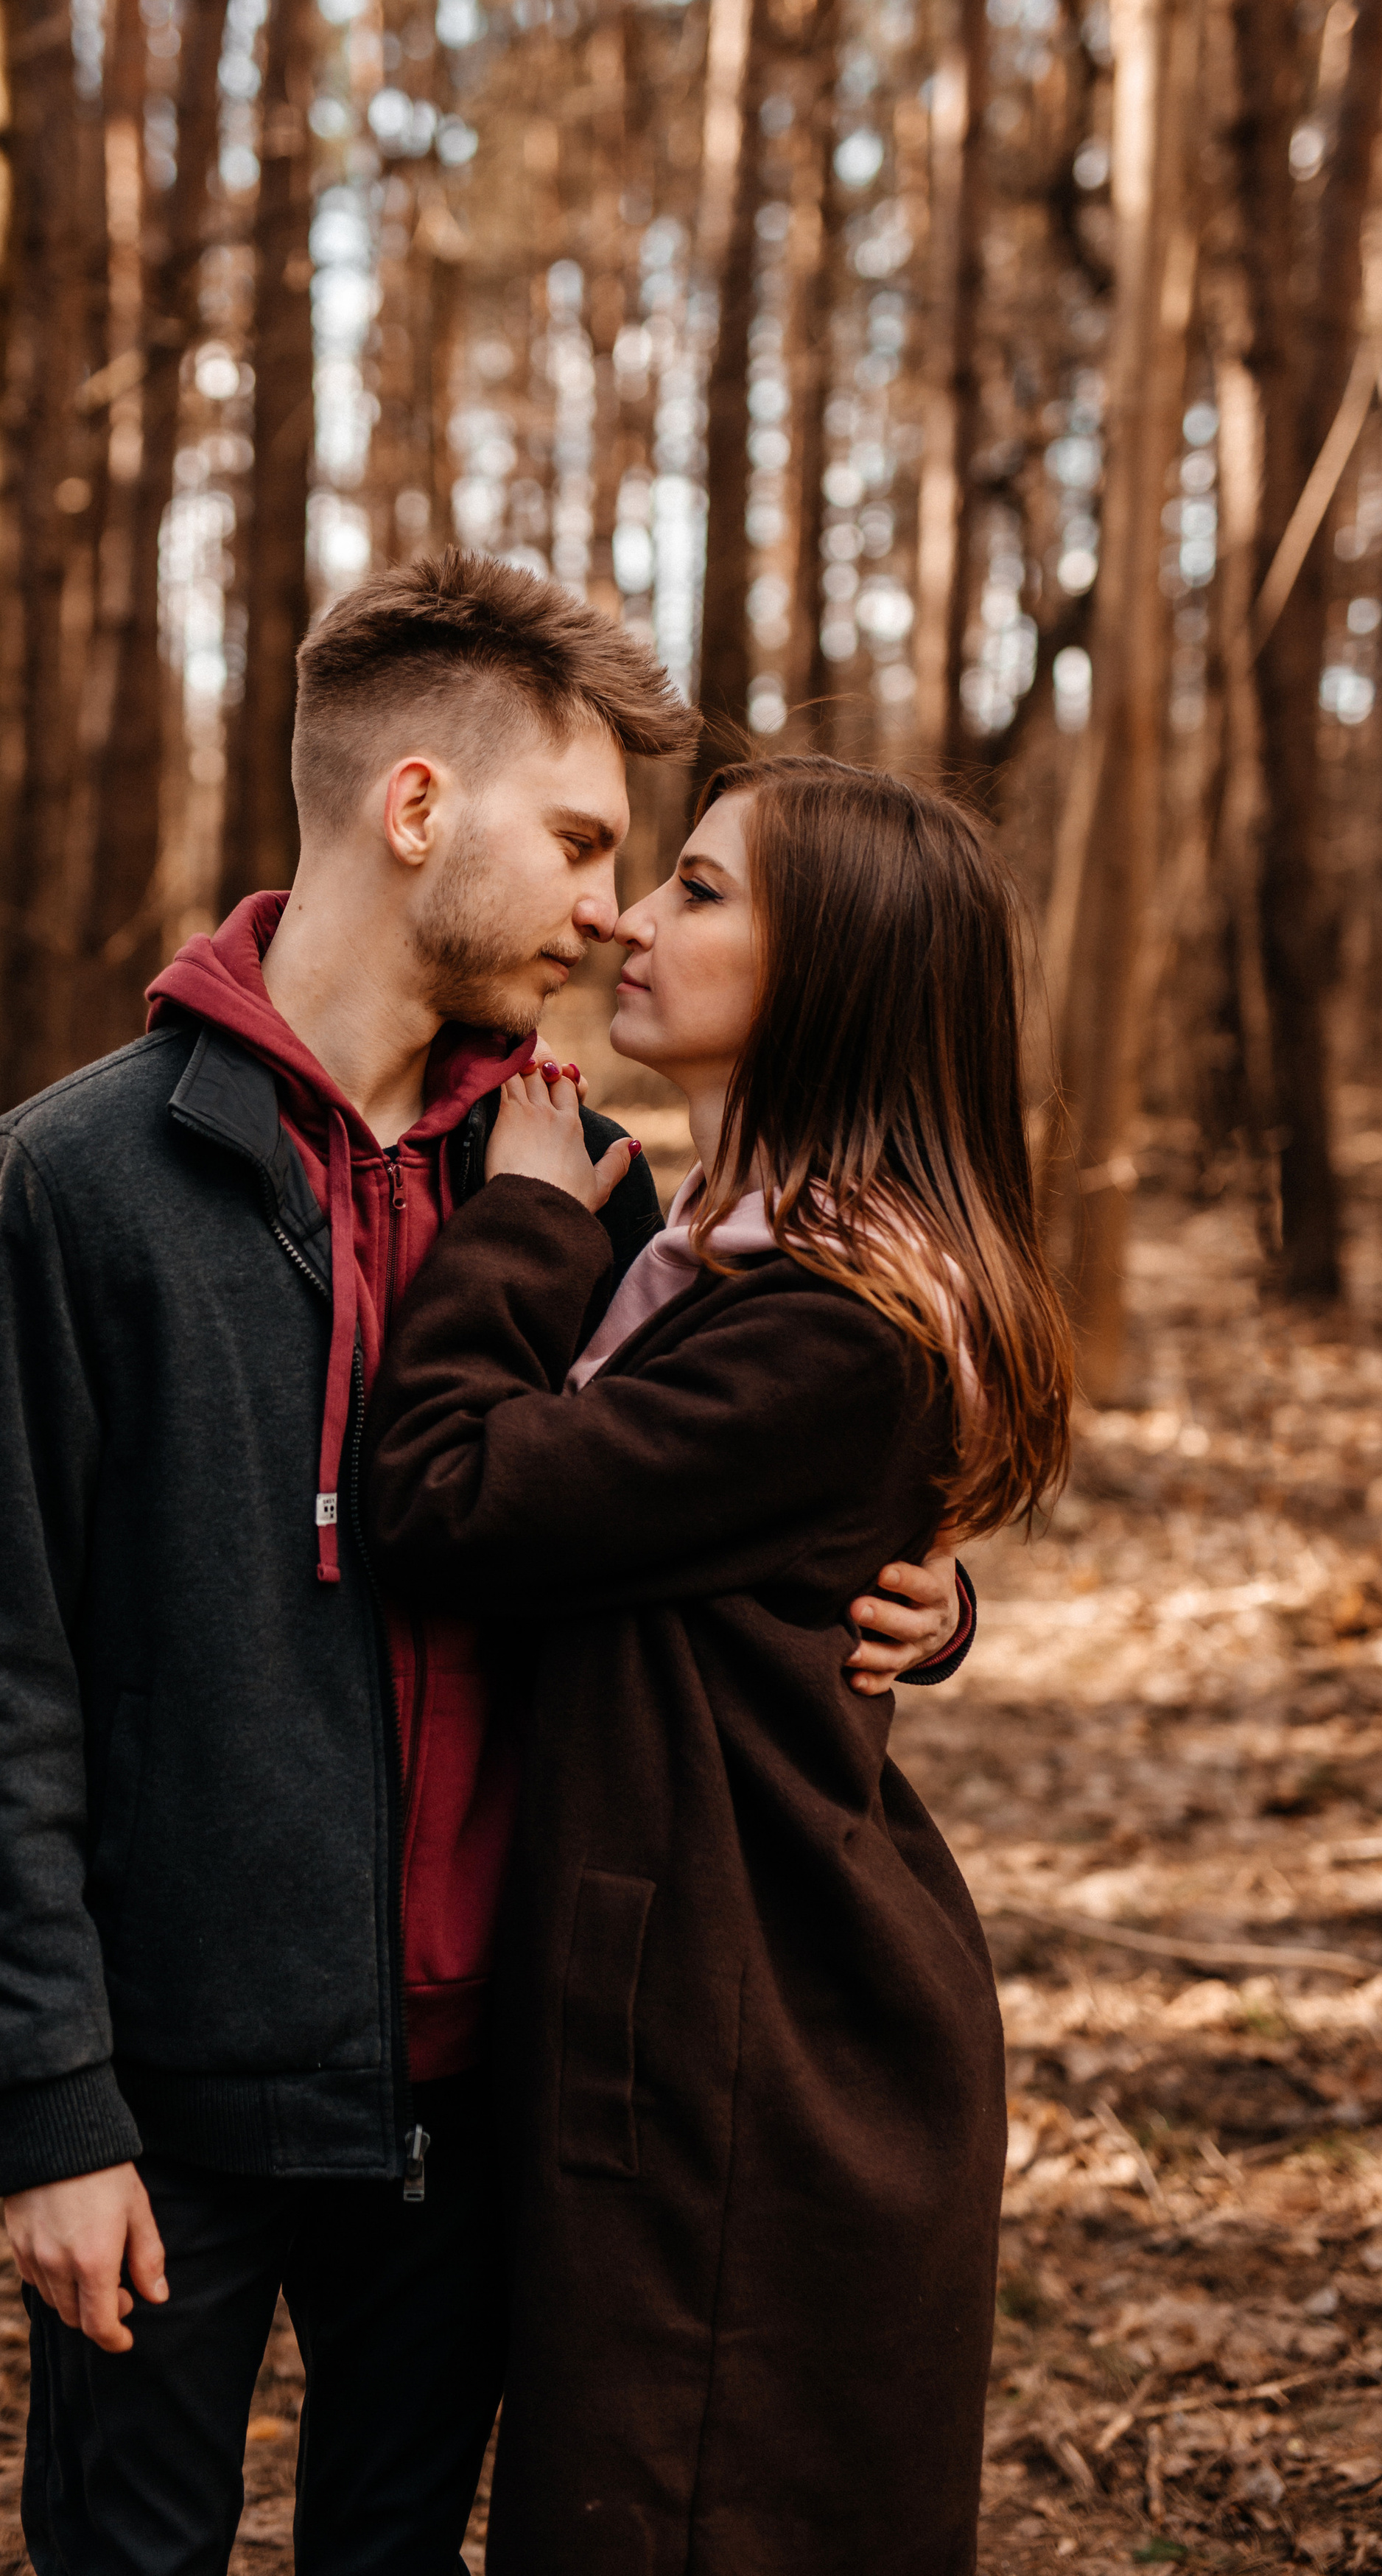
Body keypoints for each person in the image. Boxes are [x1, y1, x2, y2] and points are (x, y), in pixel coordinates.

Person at [0, 555, 972, 2576]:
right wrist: (47, 2106)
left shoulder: (585, 1188)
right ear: (413, 811)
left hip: (498, 2099)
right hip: (178, 2091)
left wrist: (924, 1595)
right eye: (578, 843)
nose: (604, 907)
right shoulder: (82, 1181)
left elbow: (734, 1490)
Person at [364, 753, 1074, 2576]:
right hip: (697, 1988)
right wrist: (921, 1585)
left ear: (824, 970)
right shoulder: (720, 1263)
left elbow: (451, 1500)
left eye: (694, 889)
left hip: (754, 2038)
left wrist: (518, 1219)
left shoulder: (834, 1320)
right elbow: (738, 1536)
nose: (620, 915)